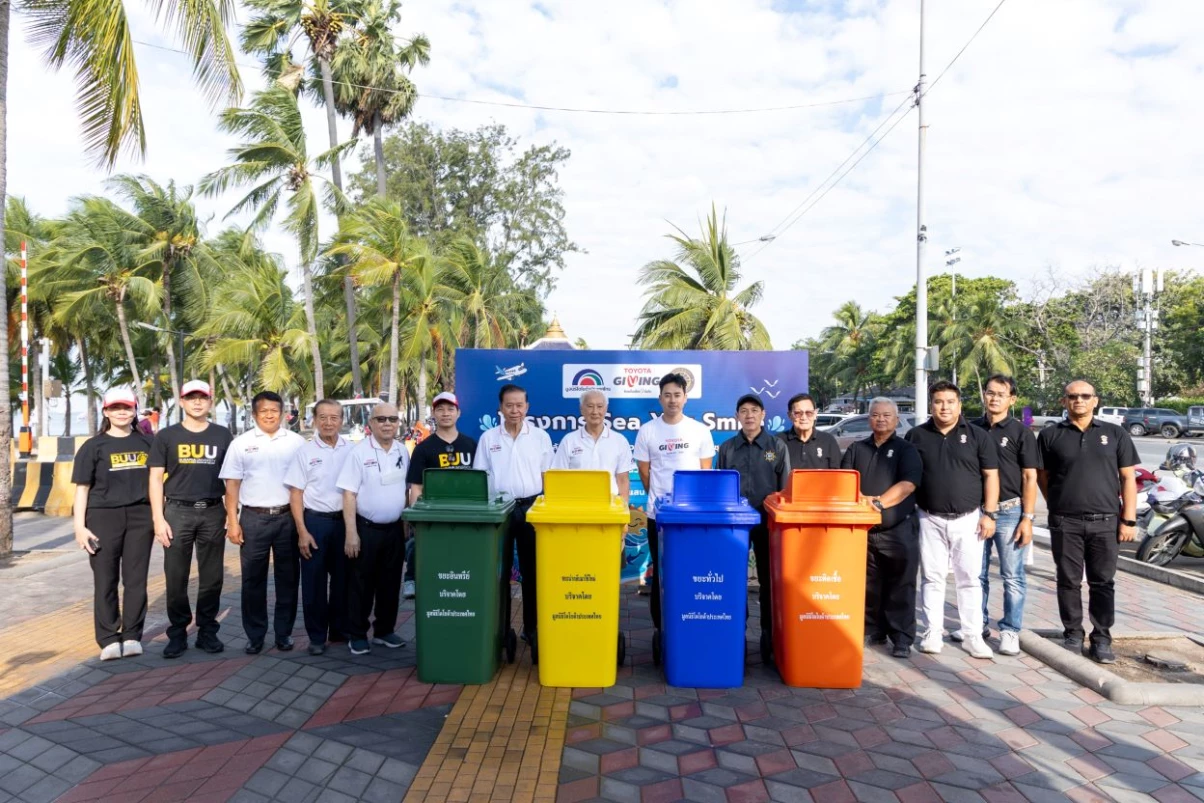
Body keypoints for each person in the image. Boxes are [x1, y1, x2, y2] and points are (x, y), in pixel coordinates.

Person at [1037, 380, 1139, 664]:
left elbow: (1128, 478)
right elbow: (1042, 476)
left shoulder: (1115, 434)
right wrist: (1056, 503)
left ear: (1095, 400)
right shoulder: (1049, 435)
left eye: (1085, 396)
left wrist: (1129, 520)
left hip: (1106, 522)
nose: (1078, 400)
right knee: (1068, 580)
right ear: (1064, 401)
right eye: (1072, 396)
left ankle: (1102, 638)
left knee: (1103, 582)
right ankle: (1072, 634)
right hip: (1065, 522)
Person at [905, 380, 1000, 659]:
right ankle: (933, 632)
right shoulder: (916, 436)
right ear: (931, 404)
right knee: (932, 578)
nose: (944, 407)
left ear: (959, 405)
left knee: (969, 579)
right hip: (929, 517)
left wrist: (989, 514)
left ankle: (972, 636)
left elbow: (991, 476)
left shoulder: (978, 435)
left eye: (950, 402)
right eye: (938, 402)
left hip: (969, 519)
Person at [148, 380, 234, 659]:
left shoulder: (222, 435)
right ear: (181, 402)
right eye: (191, 397)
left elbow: (232, 478)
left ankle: (207, 631)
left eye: (202, 397)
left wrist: (232, 514)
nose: (197, 402)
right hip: (177, 512)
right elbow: (155, 479)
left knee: (212, 578)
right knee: (176, 577)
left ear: (210, 402)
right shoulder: (166, 436)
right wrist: (158, 519)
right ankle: (177, 633)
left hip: (213, 511)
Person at [219, 390, 306, 654]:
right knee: (252, 580)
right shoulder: (241, 443)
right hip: (253, 518)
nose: (269, 415)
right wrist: (232, 522)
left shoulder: (296, 442)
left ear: (282, 413)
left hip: (287, 518)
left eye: (274, 410)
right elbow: (232, 485)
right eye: (264, 411)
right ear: (255, 414)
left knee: (288, 579)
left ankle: (283, 633)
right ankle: (255, 636)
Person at [72, 387, 155, 661]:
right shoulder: (92, 447)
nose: (121, 412)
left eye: (127, 407)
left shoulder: (148, 443)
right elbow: (82, 489)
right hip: (102, 517)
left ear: (135, 410)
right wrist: (79, 526)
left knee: (136, 579)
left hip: (141, 517)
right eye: (115, 407)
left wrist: (159, 517)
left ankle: (132, 635)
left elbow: (158, 482)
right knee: (105, 579)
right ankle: (108, 638)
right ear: (106, 412)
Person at [633, 373, 716, 631]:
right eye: (667, 395)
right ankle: (661, 628)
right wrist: (660, 500)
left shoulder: (699, 431)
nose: (672, 400)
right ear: (660, 398)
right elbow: (644, 472)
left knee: (691, 569)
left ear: (685, 398)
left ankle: (690, 621)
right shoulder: (647, 431)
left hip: (692, 517)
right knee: (661, 572)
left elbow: (705, 472)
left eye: (677, 395)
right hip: (659, 516)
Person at [841, 398, 923, 658]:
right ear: (869, 419)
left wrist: (876, 503)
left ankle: (901, 638)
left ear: (896, 420)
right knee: (868, 584)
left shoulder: (906, 449)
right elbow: (844, 482)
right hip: (863, 531)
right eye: (876, 415)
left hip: (898, 529)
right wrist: (861, 501)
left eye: (887, 415)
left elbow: (907, 485)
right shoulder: (856, 448)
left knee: (901, 585)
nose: (881, 419)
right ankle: (872, 630)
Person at [474, 384, 554, 649]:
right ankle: (500, 628)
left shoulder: (540, 437)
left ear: (527, 407)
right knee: (499, 573)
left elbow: (548, 477)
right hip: (500, 510)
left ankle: (531, 629)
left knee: (533, 572)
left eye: (519, 405)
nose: (515, 410)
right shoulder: (489, 438)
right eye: (509, 405)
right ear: (500, 407)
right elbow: (481, 476)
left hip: (532, 509)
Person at [968, 374, 1040, 657]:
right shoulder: (971, 429)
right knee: (977, 574)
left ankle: (1010, 630)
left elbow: (1030, 477)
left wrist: (1028, 518)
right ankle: (978, 625)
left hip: (1010, 512)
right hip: (976, 512)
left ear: (1012, 399)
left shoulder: (1021, 433)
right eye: (990, 392)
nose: (994, 398)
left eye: (1001, 394)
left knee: (1012, 576)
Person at [338, 402, 411, 655]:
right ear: (371, 424)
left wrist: (405, 524)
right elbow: (349, 494)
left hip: (394, 530)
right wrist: (351, 533)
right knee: (361, 584)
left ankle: (384, 631)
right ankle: (357, 634)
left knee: (390, 583)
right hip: (365, 529)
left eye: (392, 419)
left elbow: (405, 491)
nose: (387, 423)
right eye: (381, 419)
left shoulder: (402, 450)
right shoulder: (358, 453)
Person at [715, 394, 789, 644]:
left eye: (754, 410)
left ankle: (769, 631)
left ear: (763, 414)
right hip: (735, 525)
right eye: (744, 411)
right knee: (733, 577)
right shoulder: (727, 448)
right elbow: (720, 489)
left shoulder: (776, 447)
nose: (749, 415)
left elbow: (784, 490)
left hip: (767, 523)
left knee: (768, 577)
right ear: (737, 416)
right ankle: (737, 628)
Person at [284, 399, 353, 656]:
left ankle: (339, 630)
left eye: (334, 417)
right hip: (315, 523)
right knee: (314, 583)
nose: (328, 422)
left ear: (342, 420)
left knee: (343, 581)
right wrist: (302, 531)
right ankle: (316, 636)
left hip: (345, 523)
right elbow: (296, 493)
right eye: (322, 417)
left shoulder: (352, 450)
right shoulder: (305, 452)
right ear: (314, 420)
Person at [405, 392, 476, 599]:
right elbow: (416, 487)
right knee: (425, 554)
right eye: (440, 409)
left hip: (464, 515)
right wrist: (417, 520)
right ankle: (412, 578)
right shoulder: (423, 449)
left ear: (458, 413)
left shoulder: (471, 445)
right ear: (434, 414)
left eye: (450, 409)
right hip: (433, 515)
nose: (446, 414)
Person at [552, 390, 634, 504]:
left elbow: (623, 479)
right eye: (590, 406)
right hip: (576, 504)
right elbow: (558, 479)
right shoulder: (569, 440)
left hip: (610, 506)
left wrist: (624, 509)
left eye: (599, 406)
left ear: (606, 409)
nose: (595, 411)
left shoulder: (619, 441)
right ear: (582, 409)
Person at [779, 393, 841, 469]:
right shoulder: (779, 441)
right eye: (798, 413)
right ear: (790, 415)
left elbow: (836, 473)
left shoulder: (828, 440)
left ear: (815, 414)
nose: (804, 417)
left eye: (809, 413)